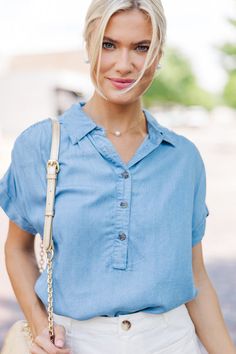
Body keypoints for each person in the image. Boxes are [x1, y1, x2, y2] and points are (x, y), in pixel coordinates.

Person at [0, 0, 235, 353]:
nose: (123, 65)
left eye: (141, 48)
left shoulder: (183, 157)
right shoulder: (42, 145)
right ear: (89, 45)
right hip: (75, 344)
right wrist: (39, 324)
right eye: (109, 44)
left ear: (158, 56)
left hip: (173, 342)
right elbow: (18, 249)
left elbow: (196, 276)